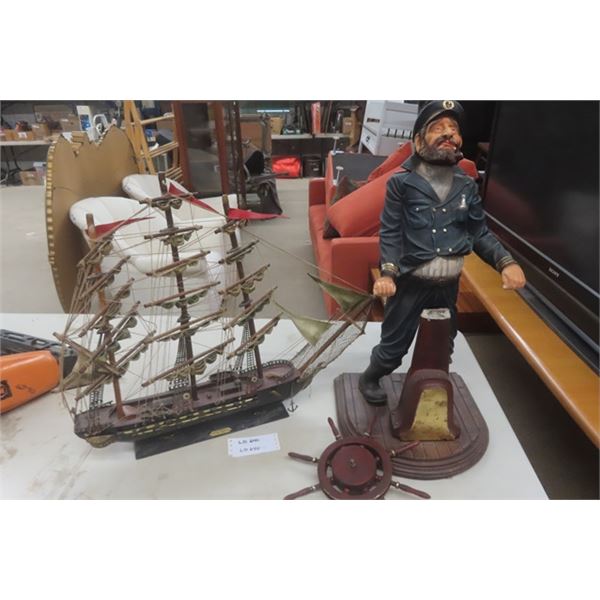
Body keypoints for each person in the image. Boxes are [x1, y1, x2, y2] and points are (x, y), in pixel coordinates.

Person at [358, 100, 526, 405]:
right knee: (394, 346)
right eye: (438, 128)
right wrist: (388, 273)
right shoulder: (402, 184)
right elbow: (391, 232)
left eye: (453, 128)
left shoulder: (467, 185)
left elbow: (479, 232)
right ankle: (370, 377)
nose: (448, 134)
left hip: (447, 286)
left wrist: (506, 262)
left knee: (442, 345)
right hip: (410, 282)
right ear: (418, 140)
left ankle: (427, 392)